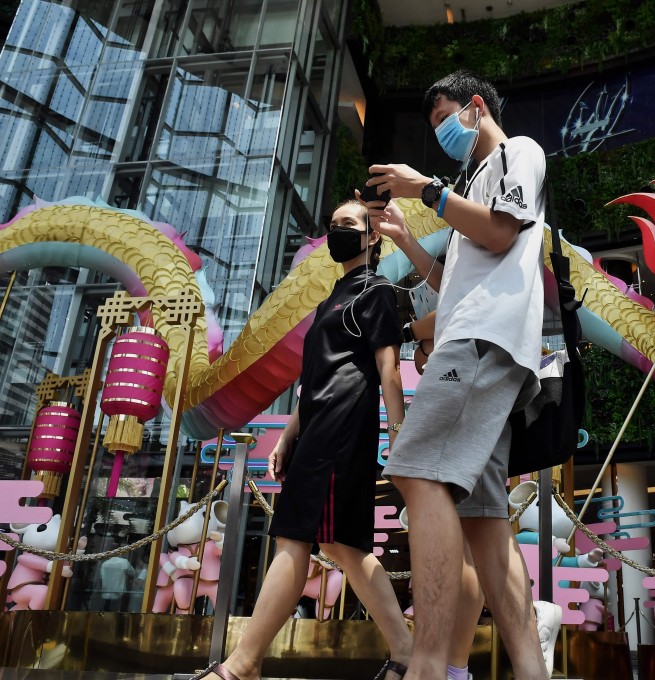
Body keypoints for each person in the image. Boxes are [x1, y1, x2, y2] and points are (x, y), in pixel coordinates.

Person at [367, 70, 554, 680]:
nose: (442, 133)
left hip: (482, 342)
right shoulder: (474, 183)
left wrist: (427, 191)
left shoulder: (518, 151)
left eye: (446, 118)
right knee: (484, 520)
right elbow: (451, 285)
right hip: (473, 339)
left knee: (416, 472)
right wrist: (407, 240)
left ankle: (426, 666)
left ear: (476, 107)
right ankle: (531, 669)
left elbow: (500, 233)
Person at [192, 200, 412, 680]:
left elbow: (389, 368)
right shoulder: (332, 297)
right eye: (332, 225)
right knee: (341, 545)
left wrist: (398, 435)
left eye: (348, 224)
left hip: (342, 429)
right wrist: (289, 434)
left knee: (296, 539)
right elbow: (315, 379)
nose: (337, 232)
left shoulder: (375, 290)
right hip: (317, 429)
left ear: (373, 236)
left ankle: (242, 665)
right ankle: (406, 652)